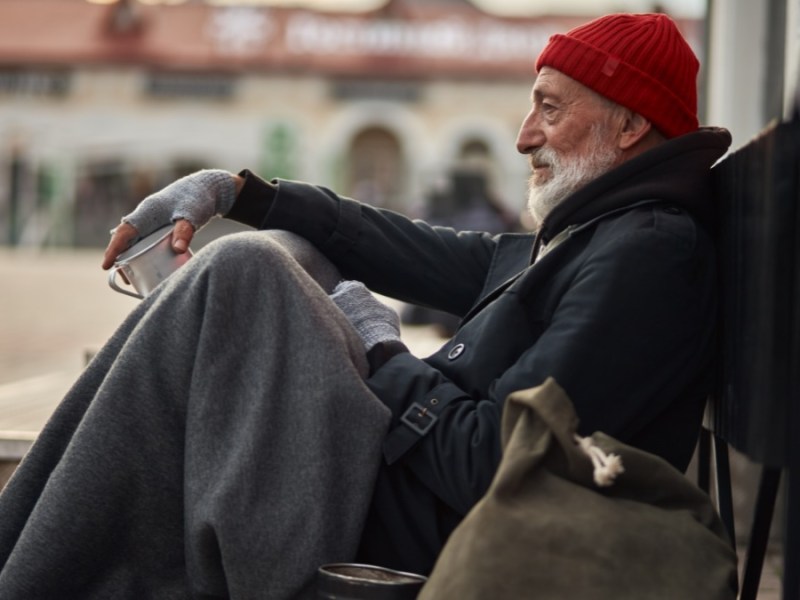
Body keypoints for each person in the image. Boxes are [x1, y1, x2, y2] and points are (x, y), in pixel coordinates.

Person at [0, 12, 732, 599]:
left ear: (630, 125)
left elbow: (492, 464)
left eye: (549, 108)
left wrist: (379, 345)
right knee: (266, 264)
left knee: (245, 274)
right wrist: (239, 192)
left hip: (412, 534)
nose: (523, 136)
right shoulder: (595, 235)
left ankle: (23, 562)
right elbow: (398, 245)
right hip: (392, 490)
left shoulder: (647, 256)